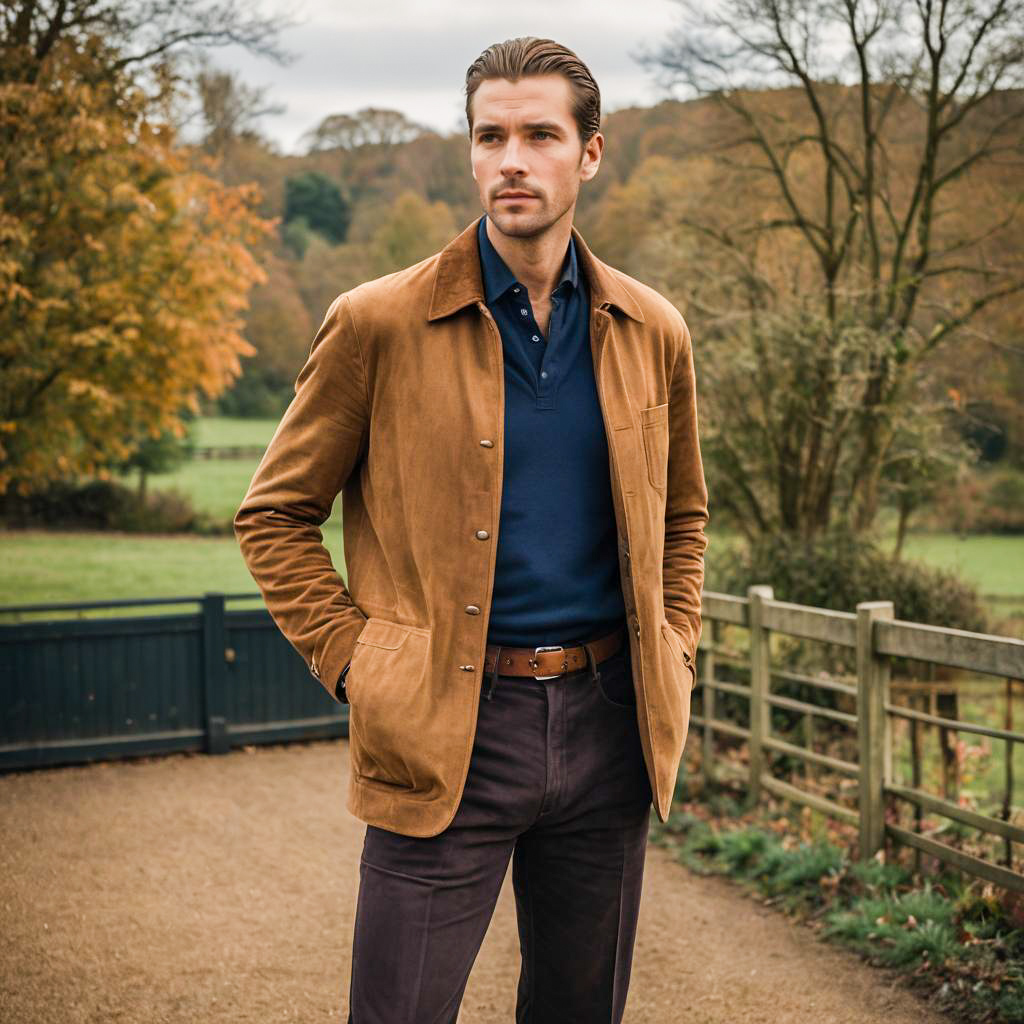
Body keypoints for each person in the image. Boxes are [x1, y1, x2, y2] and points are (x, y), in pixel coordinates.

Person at [234, 35, 709, 1024]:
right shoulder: (376, 322)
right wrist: (363, 662)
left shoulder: (651, 327)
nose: (511, 159)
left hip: (608, 722)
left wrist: (672, 643)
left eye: (540, 134)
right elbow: (275, 513)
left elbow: (682, 515)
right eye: (490, 135)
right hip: (446, 728)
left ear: (590, 154)